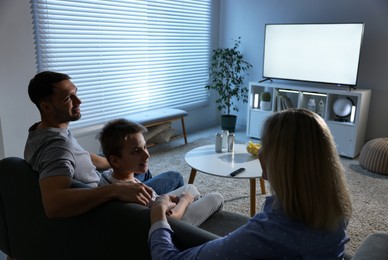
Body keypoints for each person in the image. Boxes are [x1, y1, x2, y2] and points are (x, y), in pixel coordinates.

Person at [148, 108, 353, 259]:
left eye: (265, 144)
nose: (260, 152)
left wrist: (158, 217)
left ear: (283, 162)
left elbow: (167, 258)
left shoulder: (266, 235)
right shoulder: (336, 213)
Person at [24, 71, 184, 218]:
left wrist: (116, 162)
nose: (79, 101)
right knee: (174, 176)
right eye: (68, 99)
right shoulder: (57, 147)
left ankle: (150, 201)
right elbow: (53, 205)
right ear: (46, 107)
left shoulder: (41, 132)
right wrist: (116, 190)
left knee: (142, 170)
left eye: (76, 93)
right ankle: (160, 214)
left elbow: (80, 156)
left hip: (104, 183)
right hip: (109, 200)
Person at [98, 118, 224, 226]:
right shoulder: (136, 194)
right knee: (215, 197)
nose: (146, 155)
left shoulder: (107, 177)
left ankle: (194, 207)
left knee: (190, 188)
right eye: (136, 151)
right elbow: (169, 219)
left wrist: (171, 198)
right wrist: (184, 201)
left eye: (145, 147)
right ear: (115, 161)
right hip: (171, 228)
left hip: (158, 209)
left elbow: (156, 201)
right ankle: (199, 229)